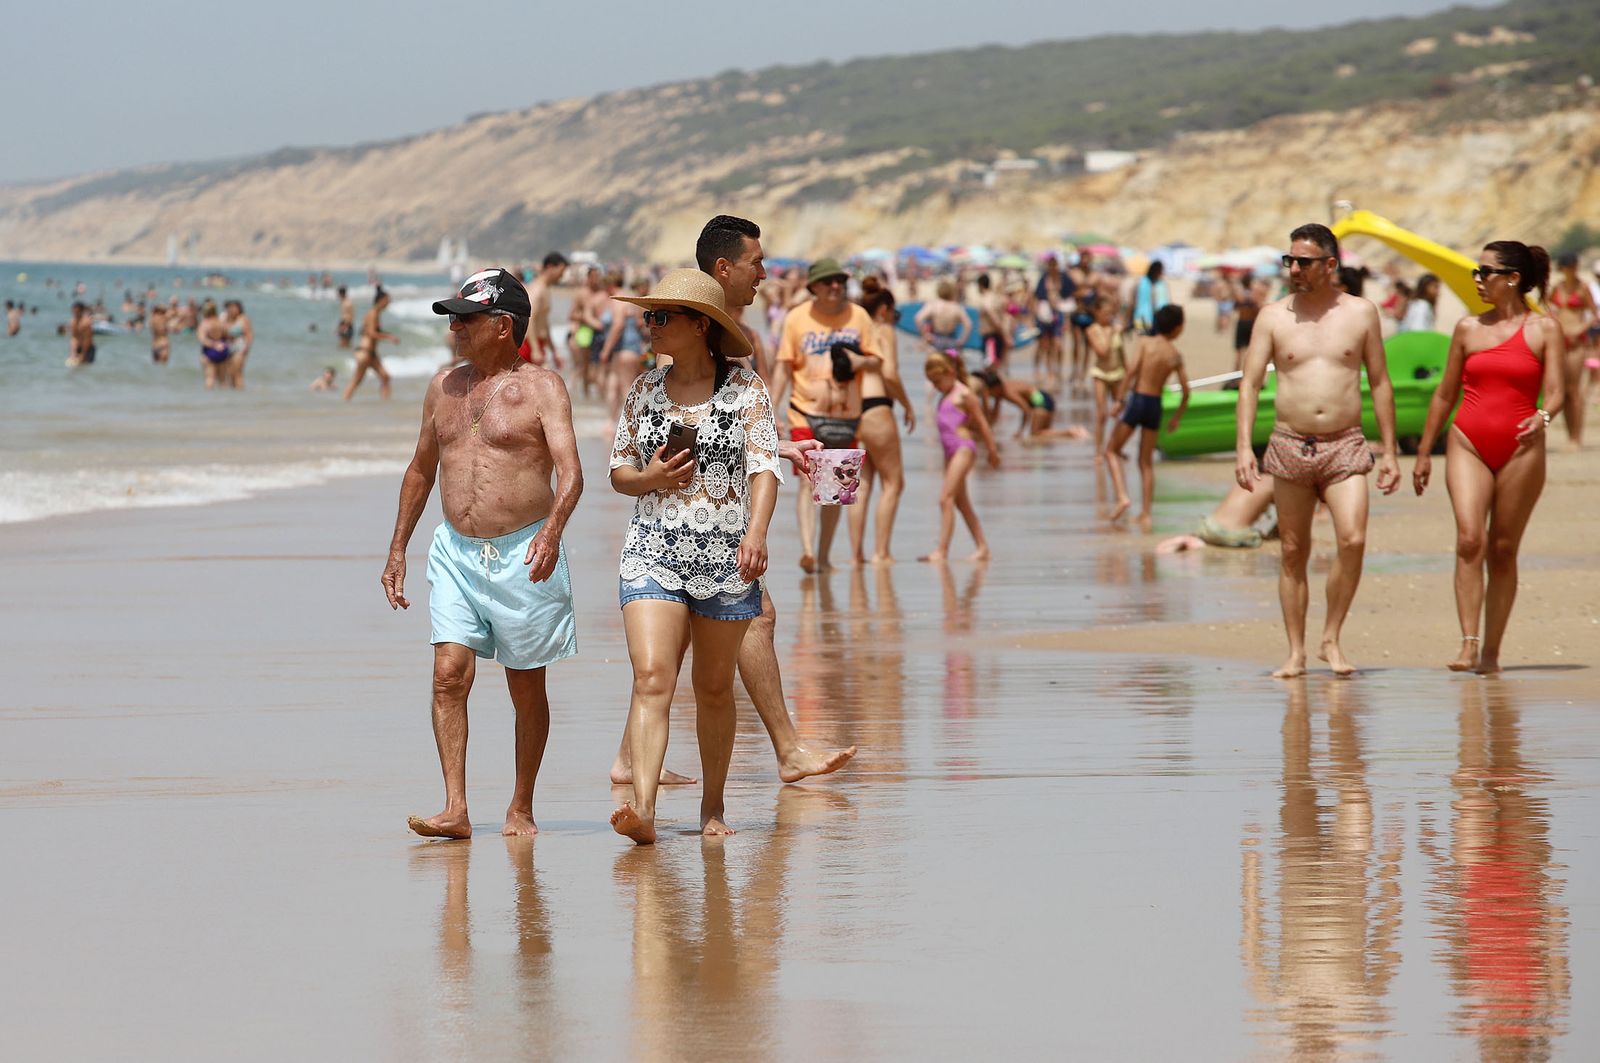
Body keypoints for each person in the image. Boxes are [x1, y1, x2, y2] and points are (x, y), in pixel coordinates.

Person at [609, 215, 856, 789]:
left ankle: (632, 758)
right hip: (684, 527)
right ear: (724, 270)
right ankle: (788, 751)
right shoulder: (683, 351)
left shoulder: (733, 355)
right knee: (720, 630)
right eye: (755, 263)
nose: (763, 275)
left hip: (717, 521)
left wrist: (782, 454)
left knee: (675, 649)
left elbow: (743, 431)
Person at [381, 267, 582, 839]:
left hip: (525, 550)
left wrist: (553, 532)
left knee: (525, 683)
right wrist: (398, 548)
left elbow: (571, 473)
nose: (456, 330)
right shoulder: (443, 387)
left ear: (503, 325)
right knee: (449, 672)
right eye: (453, 320)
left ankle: (520, 805)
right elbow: (421, 469)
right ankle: (456, 807)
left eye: (466, 320)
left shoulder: (543, 388)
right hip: (456, 551)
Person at [606, 269, 781, 844]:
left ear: (700, 324)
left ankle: (712, 808)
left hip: (727, 554)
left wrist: (756, 533)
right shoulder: (644, 389)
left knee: (711, 688)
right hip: (653, 548)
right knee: (653, 676)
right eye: (647, 317)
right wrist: (649, 476)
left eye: (662, 317)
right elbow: (620, 473)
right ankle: (645, 811)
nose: (648, 326)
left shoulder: (746, 389)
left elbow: (764, 467)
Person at [1235, 222, 1401, 678]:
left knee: (1353, 539)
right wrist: (1243, 450)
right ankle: (1295, 652)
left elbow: (1381, 382)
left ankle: (1331, 637)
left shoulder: (1362, 313)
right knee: (1292, 550)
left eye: (1304, 262)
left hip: (1345, 443)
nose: (1294, 270)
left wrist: (1389, 451)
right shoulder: (1272, 316)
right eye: (1289, 261)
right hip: (1289, 443)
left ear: (1330, 264)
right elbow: (1249, 385)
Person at [1412, 241, 1565, 674]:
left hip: (1522, 449)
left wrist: (1543, 416)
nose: (1477, 279)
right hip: (1467, 442)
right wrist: (1424, 452)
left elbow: (1556, 391)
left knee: (1502, 549)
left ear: (1513, 278)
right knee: (1469, 541)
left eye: (1485, 272)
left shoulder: (1544, 328)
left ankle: (1492, 653)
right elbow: (1445, 393)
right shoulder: (1466, 329)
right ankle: (1468, 643)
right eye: (1476, 272)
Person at [770, 257, 882, 573]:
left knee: (834, 491)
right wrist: (770, 408)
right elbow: (783, 367)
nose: (835, 287)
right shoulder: (797, 318)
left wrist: (856, 362)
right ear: (814, 287)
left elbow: (876, 362)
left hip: (847, 415)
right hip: (806, 411)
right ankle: (807, 550)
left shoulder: (858, 316)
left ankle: (823, 555)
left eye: (840, 282)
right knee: (809, 481)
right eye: (828, 282)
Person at [849, 279, 916, 566]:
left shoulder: (857, 329)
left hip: (854, 411)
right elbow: (889, 373)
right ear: (885, 309)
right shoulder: (884, 330)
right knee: (894, 483)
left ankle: (856, 556)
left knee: (862, 485)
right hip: (877, 408)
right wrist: (907, 404)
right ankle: (881, 552)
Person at [1105, 305, 1192, 524]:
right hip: (1155, 405)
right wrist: (1176, 418)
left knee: (1111, 451)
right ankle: (1146, 514)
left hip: (1139, 400)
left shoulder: (1145, 343)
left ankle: (1123, 497)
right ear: (1177, 328)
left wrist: (1118, 400)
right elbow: (1186, 391)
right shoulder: (1175, 355)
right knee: (1146, 463)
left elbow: (1132, 370)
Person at [920, 354, 999, 562]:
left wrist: (992, 451)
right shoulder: (944, 396)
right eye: (932, 382)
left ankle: (942, 550)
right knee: (961, 503)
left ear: (951, 373)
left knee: (945, 499)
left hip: (964, 449)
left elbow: (983, 423)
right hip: (950, 453)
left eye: (937, 381)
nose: (935, 386)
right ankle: (982, 547)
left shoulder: (964, 395)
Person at [1549, 252, 1595, 448]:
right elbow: (1548, 307)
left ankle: (1576, 437)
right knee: (1565, 391)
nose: (1572, 270)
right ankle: (1570, 435)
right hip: (1561, 339)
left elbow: (1594, 315)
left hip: (1577, 341)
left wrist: (1580, 330)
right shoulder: (1557, 288)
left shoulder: (1583, 288)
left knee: (1574, 390)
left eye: (1574, 266)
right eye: (1569, 266)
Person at [597, 273, 648, 436]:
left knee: (626, 387)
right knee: (612, 385)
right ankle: (611, 423)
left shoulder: (618, 300)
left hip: (626, 348)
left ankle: (633, 426)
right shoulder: (632, 298)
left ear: (608, 286)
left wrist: (606, 349)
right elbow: (641, 322)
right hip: (628, 348)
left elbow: (618, 326)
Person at [1085, 297, 1127, 458]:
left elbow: (1121, 353)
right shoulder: (1092, 330)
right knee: (1102, 413)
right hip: (1101, 374)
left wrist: (1128, 375)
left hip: (1118, 373)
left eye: (1111, 313)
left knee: (1120, 414)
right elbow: (1102, 353)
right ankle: (1098, 451)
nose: (1109, 316)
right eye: (1105, 313)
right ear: (1097, 312)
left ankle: (1116, 447)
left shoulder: (1116, 329)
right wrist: (1110, 334)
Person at [342, 287, 397, 401]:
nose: (389, 302)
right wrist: (389, 337)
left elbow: (372, 331)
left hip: (371, 354)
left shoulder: (376, 313)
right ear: (381, 300)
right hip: (365, 352)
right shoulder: (372, 313)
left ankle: (385, 404)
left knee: (385, 377)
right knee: (356, 381)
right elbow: (372, 333)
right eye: (387, 300)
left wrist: (388, 335)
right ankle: (343, 403)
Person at [1032, 255, 1074, 385]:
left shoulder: (1063, 278)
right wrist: (1035, 315)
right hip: (1044, 315)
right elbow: (1036, 297)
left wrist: (1067, 319)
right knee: (1044, 345)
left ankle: (1058, 371)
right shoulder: (1044, 278)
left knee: (1057, 345)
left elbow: (1069, 297)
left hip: (1058, 315)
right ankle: (1043, 370)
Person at [525, 252, 568, 368]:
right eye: (561, 271)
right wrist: (535, 349)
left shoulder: (545, 289)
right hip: (529, 345)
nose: (562, 276)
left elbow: (544, 323)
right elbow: (529, 318)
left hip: (537, 344)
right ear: (550, 267)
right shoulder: (537, 290)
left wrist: (554, 351)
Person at [914, 278, 971, 354]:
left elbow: (918, 318)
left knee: (936, 363)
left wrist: (925, 334)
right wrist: (961, 341)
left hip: (936, 341)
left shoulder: (933, 305)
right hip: (951, 341)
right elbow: (968, 324)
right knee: (951, 364)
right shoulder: (956, 307)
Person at [1131, 260, 1170, 334]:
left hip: (1158, 318)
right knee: (1142, 339)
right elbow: (1133, 299)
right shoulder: (1141, 282)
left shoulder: (1161, 284)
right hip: (1142, 316)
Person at [197, 302, 230, 387]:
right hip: (222, 351)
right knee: (223, 380)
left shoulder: (205, 323)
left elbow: (202, 339)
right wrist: (220, 344)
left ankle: (209, 400)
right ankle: (226, 399)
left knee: (209, 379)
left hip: (209, 351)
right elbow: (227, 336)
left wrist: (214, 345)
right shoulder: (221, 322)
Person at [223, 299, 253, 389]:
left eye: (234, 307)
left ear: (239, 308)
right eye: (230, 307)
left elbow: (249, 335)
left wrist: (246, 348)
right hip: (228, 347)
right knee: (229, 373)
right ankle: (234, 397)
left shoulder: (243, 319)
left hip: (240, 347)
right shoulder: (225, 318)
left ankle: (241, 391)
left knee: (237, 372)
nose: (232, 309)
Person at [66, 302, 95, 367]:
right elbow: (74, 338)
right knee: (75, 367)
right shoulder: (72, 322)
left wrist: (83, 354)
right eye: (74, 311)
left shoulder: (86, 323)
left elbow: (87, 340)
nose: (75, 313)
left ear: (82, 311)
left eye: (77, 311)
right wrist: (73, 353)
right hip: (78, 347)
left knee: (86, 367)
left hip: (89, 348)